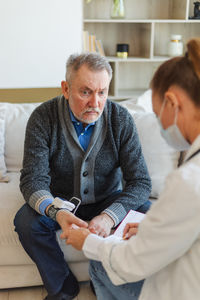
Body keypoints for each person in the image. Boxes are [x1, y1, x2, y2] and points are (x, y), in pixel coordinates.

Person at [66, 38, 200, 300]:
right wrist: (154, 226)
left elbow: (131, 263)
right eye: (85, 92)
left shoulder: (188, 180)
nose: (95, 101)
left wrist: (88, 242)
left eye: (157, 112)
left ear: (172, 103)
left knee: (100, 263)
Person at [14, 53, 151, 300]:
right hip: (61, 201)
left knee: (148, 212)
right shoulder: (43, 118)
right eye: (85, 92)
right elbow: (32, 180)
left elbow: (140, 181)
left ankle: (108, 284)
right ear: (66, 89)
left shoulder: (121, 119)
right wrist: (58, 212)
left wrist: (109, 217)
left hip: (108, 200)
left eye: (102, 92)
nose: (95, 103)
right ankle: (64, 289)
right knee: (26, 221)